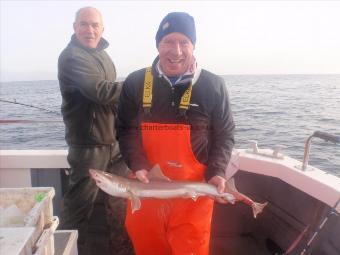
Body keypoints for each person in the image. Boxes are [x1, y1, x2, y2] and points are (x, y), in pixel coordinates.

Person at [118, 12, 235, 255]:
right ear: (158, 44)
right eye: (168, 42)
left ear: (193, 46)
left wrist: (217, 171)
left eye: (184, 42)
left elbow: (224, 134)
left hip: (193, 194)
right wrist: (137, 164)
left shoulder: (213, 85)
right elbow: (126, 129)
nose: (176, 51)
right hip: (145, 188)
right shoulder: (135, 82)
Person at [58, 7, 133, 255]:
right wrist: (139, 85)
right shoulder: (72, 57)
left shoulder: (103, 56)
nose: (89, 30)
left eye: (94, 25)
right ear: (74, 27)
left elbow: (113, 97)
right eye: (83, 24)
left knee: (119, 206)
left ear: (102, 28)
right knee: (78, 211)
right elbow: (100, 91)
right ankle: (64, 251)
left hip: (114, 144)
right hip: (89, 147)